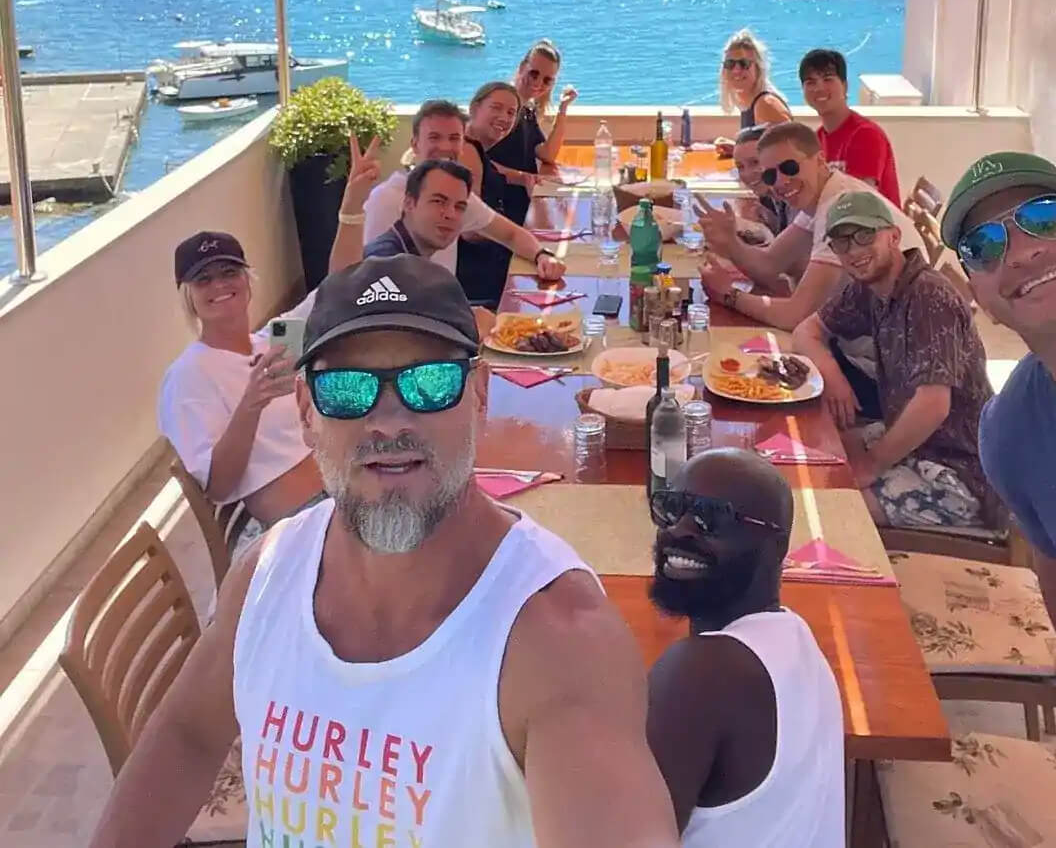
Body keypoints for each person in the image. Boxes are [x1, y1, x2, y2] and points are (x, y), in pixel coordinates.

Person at [89, 257, 681, 848]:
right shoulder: (266, 577)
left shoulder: (556, 642)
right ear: (304, 410)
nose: (388, 420)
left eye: (430, 382)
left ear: (479, 392)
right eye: (347, 389)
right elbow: (189, 732)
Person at [943, 152, 1056, 696]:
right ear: (980, 300)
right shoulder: (1011, 436)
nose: (1024, 252)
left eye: (1047, 215)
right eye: (984, 247)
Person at [646, 449, 844, 848]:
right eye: (672, 508)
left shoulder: (699, 673)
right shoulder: (796, 639)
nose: (680, 530)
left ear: (776, 546)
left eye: (713, 518)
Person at [792, 191, 993, 529]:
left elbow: (933, 405)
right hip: (913, 441)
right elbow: (805, 331)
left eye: (864, 235)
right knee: (809, 455)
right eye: (842, 243)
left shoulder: (929, 297)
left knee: (829, 509)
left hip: (958, 471)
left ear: (894, 236)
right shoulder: (869, 286)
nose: (854, 251)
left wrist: (871, 465)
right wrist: (833, 375)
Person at [158, 232, 323, 526]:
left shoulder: (272, 341)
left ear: (247, 280)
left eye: (229, 272)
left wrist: (351, 211)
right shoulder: (187, 375)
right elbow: (218, 486)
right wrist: (251, 404)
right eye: (203, 280)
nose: (219, 284)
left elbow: (336, 288)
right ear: (188, 296)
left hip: (339, 492)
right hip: (301, 521)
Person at [698, 121, 921, 332]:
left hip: (883, 349)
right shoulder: (822, 193)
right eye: (770, 174)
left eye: (789, 167)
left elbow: (796, 315)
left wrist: (729, 295)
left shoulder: (840, 205)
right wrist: (730, 242)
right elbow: (769, 264)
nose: (781, 181)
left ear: (820, 161)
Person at [328, 100, 566, 288]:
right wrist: (350, 207)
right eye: (434, 137)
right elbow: (350, 283)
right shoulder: (388, 198)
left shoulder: (457, 196)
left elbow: (511, 235)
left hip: (437, 310)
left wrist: (542, 255)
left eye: (453, 138)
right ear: (414, 144)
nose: (444, 146)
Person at [799, 48, 901, 206]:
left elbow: (859, 201)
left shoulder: (866, 135)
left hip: (872, 225)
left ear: (845, 86)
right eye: (811, 82)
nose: (819, 88)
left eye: (828, 79)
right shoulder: (817, 139)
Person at [490, 40, 578, 223]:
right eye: (534, 73)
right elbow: (480, 161)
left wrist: (563, 109)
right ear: (522, 67)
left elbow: (547, 154)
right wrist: (525, 178)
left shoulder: (527, 110)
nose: (538, 83)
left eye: (547, 80)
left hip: (524, 204)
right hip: (500, 208)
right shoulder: (502, 107)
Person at [458, 81, 524, 306]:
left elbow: (495, 170)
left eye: (511, 113)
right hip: (477, 277)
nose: (505, 118)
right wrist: (515, 236)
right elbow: (469, 229)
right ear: (474, 108)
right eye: (496, 108)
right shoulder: (466, 151)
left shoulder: (475, 149)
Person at [364, 158, 474, 259]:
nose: (450, 214)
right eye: (438, 201)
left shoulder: (409, 261)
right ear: (408, 203)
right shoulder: (386, 262)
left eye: (459, 207)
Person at [718, 30, 791, 130]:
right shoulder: (751, 104)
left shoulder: (766, 105)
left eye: (744, 63)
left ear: (758, 68)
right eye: (730, 64)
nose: (736, 70)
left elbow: (788, 144)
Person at [734, 124, 789, 236]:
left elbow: (791, 251)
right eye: (740, 167)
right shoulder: (767, 198)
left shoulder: (795, 199)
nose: (747, 173)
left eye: (755, 162)